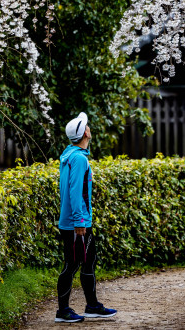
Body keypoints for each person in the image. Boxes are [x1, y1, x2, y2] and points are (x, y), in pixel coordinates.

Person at [55, 112, 117, 323]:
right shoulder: (79, 159)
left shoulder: (70, 154)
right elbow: (74, 191)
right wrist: (80, 221)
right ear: (84, 133)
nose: (90, 128)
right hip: (77, 224)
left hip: (76, 222)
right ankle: (63, 311)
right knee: (71, 265)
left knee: (89, 261)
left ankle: (92, 305)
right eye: (88, 126)